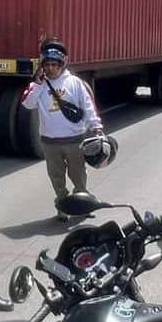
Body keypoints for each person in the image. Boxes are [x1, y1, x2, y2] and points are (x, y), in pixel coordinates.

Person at [21, 39, 105, 221]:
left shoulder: (74, 83)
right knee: (56, 177)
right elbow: (28, 104)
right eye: (47, 65)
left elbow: (88, 106)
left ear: (62, 64)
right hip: (50, 142)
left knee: (78, 175)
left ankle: (83, 204)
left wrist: (96, 128)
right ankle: (63, 204)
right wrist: (38, 85)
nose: (51, 69)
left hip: (74, 140)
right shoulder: (38, 86)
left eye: (55, 65)